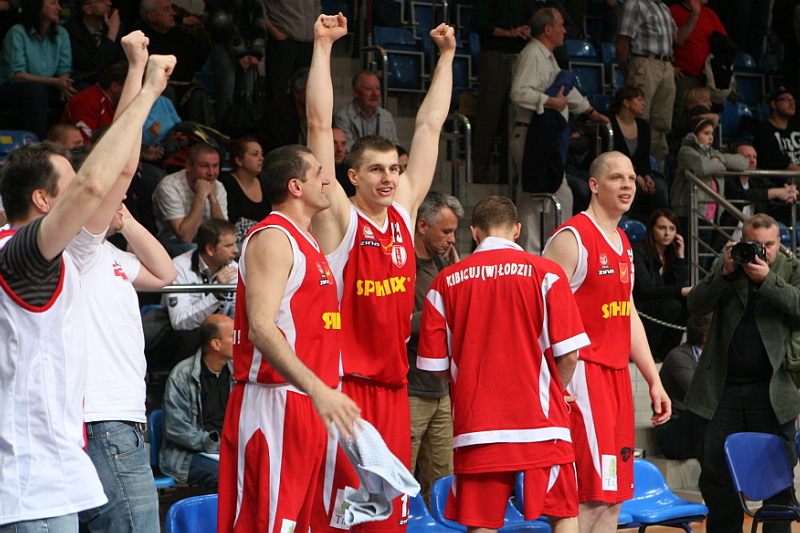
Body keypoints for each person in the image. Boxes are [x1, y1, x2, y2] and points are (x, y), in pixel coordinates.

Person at [0, 44, 174, 531]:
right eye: (71, 185)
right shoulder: (31, 250)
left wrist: (137, 71)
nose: (85, 191)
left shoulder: (54, 250)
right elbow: (106, 179)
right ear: (43, 200)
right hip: (31, 483)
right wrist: (148, 87)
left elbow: (117, 174)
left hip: (53, 467)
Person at [306, 12, 454, 531]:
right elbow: (318, 126)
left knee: (389, 517)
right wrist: (323, 45)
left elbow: (431, 125)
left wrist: (446, 58)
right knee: (345, 518)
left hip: (396, 384)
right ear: (351, 176)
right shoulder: (338, 218)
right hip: (347, 386)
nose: (389, 178)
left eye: (394, 168)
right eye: (376, 169)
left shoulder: (404, 212)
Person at [418, 195, 588, 532]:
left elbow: (436, 366)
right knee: (563, 512)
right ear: (517, 229)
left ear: (474, 232)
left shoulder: (445, 282)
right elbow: (570, 354)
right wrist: (556, 390)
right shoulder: (548, 274)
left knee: (480, 521)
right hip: (542, 421)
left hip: (477, 425)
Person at [215, 143, 361, 532]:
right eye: (318, 173)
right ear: (295, 186)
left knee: (308, 523)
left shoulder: (307, 238)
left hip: (312, 399)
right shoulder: (273, 238)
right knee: (271, 524)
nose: (327, 179)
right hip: (277, 399)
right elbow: (262, 328)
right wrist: (318, 389)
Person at [69, 34, 177, 533]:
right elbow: (120, 163)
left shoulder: (109, 253)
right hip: (104, 418)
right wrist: (139, 72)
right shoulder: (75, 247)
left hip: (121, 417)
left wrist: (128, 222)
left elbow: (165, 274)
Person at [543, 151, 671, 533]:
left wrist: (653, 379)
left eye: (631, 178)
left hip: (616, 378)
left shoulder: (623, 241)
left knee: (613, 497)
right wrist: (555, 382)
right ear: (594, 185)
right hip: (583, 377)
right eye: (617, 178)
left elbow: (627, 313)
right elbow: (539, 314)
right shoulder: (572, 239)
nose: (627, 185)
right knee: (588, 496)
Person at [685, 213, 800, 533]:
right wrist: (723, 273)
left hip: (773, 390)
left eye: (769, 245)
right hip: (723, 390)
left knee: (777, 476)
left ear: (779, 243)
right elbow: (695, 304)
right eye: (754, 244)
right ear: (741, 241)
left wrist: (768, 281)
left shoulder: (791, 270)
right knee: (716, 472)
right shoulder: (728, 267)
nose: (762, 251)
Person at [509, 7, 609, 255]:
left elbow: (566, 92)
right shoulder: (532, 54)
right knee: (533, 198)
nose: (565, 30)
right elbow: (519, 92)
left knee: (561, 196)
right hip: (531, 135)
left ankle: (556, 253)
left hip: (546, 138)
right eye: (561, 25)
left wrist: (590, 111)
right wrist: (550, 102)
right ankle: (530, 256)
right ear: (548, 29)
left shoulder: (547, 56)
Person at [407, 191, 463, 505]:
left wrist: (456, 275)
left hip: (441, 390)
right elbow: (399, 323)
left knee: (442, 484)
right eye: (446, 231)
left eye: (454, 231)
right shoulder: (403, 267)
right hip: (411, 390)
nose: (452, 239)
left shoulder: (443, 263)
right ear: (423, 226)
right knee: (401, 479)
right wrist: (444, 306)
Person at [616, 0, 701, 166]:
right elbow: (621, 43)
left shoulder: (663, 7)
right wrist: (628, 71)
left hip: (666, 64)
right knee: (640, 117)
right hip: (644, 61)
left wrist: (694, 14)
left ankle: (656, 168)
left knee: (662, 122)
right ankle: (635, 167)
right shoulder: (635, 4)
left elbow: (678, 38)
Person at [161, 314, 235, 492]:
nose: (239, 342)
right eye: (233, 337)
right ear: (216, 344)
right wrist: (215, 445)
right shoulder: (182, 375)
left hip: (228, 450)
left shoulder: (237, 372)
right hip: (188, 455)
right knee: (225, 475)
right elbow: (177, 429)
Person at [470, 0, 533, 183]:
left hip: (519, 55)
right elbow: (478, 23)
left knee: (513, 118)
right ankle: (479, 171)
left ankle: (507, 173)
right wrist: (508, 32)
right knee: (489, 113)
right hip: (495, 53)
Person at [670, 116, 747, 260]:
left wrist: (721, 159)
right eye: (706, 133)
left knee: (704, 259)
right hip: (690, 213)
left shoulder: (713, 154)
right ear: (693, 135)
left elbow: (743, 162)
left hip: (711, 216)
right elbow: (703, 167)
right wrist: (722, 165)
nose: (711, 137)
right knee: (693, 258)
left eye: (712, 133)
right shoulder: (686, 151)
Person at [0, 0, 75, 139]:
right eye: (53, 3)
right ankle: (37, 146)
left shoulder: (61, 33)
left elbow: (64, 68)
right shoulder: (17, 32)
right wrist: (56, 82)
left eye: (59, 3)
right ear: (38, 7)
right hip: (13, 88)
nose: (59, 8)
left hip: (49, 86)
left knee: (78, 91)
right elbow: (17, 76)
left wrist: (64, 82)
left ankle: (73, 142)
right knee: (36, 91)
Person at [632, 209, 690, 360]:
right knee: (672, 306)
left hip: (661, 306)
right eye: (662, 228)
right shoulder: (639, 252)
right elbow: (646, 290)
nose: (667, 233)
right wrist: (680, 291)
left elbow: (676, 285)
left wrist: (681, 257)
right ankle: (648, 349)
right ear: (652, 229)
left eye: (672, 229)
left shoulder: (671, 254)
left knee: (687, 304)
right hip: (641, 307)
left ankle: (667, 353)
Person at [152, 142, 228, 256]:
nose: (211, 173)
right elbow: (185, 237)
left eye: (215, 166)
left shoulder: (218, 186)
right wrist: (201, 196)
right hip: (171, 242)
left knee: (239, 249)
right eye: (204, 166)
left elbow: (224, 234)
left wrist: (213, 199)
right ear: (188, 165)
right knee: (194, 250)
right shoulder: (170, 186)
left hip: (207, 242)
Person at [656, 312, 711, 460]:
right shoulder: (679, 356)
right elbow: (699, 393)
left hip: (695, 428)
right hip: (673, 431)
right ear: (705, 337)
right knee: (703, 408)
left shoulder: (714, 356)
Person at [608, 85, 668, 219]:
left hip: (636, 172)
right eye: (640, 100)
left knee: (659, 186)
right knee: (630, 185)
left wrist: (646, 175)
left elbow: (644, 158)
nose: (644, 104)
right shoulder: (609, 122)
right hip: (615, 171)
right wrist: (634, 176)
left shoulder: (643, 126)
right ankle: (621, 222)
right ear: (626, 102)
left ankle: (659, 224)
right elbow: (613, 158)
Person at [669, 0, 727, 128]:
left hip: (706, 78)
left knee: (704, 121)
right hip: (683, 76)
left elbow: (724, 43)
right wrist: (669, 66)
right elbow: (663, 42)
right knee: (680, 119)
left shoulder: (710, 14)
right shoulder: (672, 12)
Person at [205, 0, 266, 119]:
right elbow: (221, 24)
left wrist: (256, 52)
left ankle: (245, 127)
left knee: (248, 96)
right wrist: (241, 53)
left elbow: (260, 23)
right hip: (224, 47)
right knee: (226, 97)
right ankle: (223, 128)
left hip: (249, 49)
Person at [722, 143, 798, 237]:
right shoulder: (726, 177)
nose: (752, 161)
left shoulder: (757, 178)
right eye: (747, 157)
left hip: (753, 237)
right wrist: (776, 192)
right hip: (726, 237)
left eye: (755, 157)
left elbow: (774, 191)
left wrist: (789, 193)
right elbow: (739, 195)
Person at [218, 137, 271, 246]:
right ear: (239, 160)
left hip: (262, 239)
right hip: (236, 241)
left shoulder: (264, 181)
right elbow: (229, 222)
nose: (261, 158)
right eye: (255, 154)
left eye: (261, 154)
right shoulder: (227, 182)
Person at [334, 71, 399, 156]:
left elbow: (394, 148)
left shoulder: (386, 117)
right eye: (368, 89)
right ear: (355, 92)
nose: (375, 93)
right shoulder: (342, 117)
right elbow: (347, 153)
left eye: (377, 88)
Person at [63, 0, 123, 89]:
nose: (109, 3)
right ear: (87, 9)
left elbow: (120, 62)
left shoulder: (115, 23)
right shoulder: (72, 30)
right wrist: (112, 33)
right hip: (86, 83)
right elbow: (93, 67)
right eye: (102, 1)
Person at [62, 61, 127, 143]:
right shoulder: (88, 101)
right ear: (115, 86)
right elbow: (83, 143)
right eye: (131, 86)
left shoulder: (116, 103)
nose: (136, 92)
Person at [753, 87, 800, 173]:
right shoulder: (764, 132)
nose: (792, 103)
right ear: (774, 104)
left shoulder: (796, 128)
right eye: (786, 99)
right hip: (784, 177)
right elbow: (780, 164)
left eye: (793, 100)